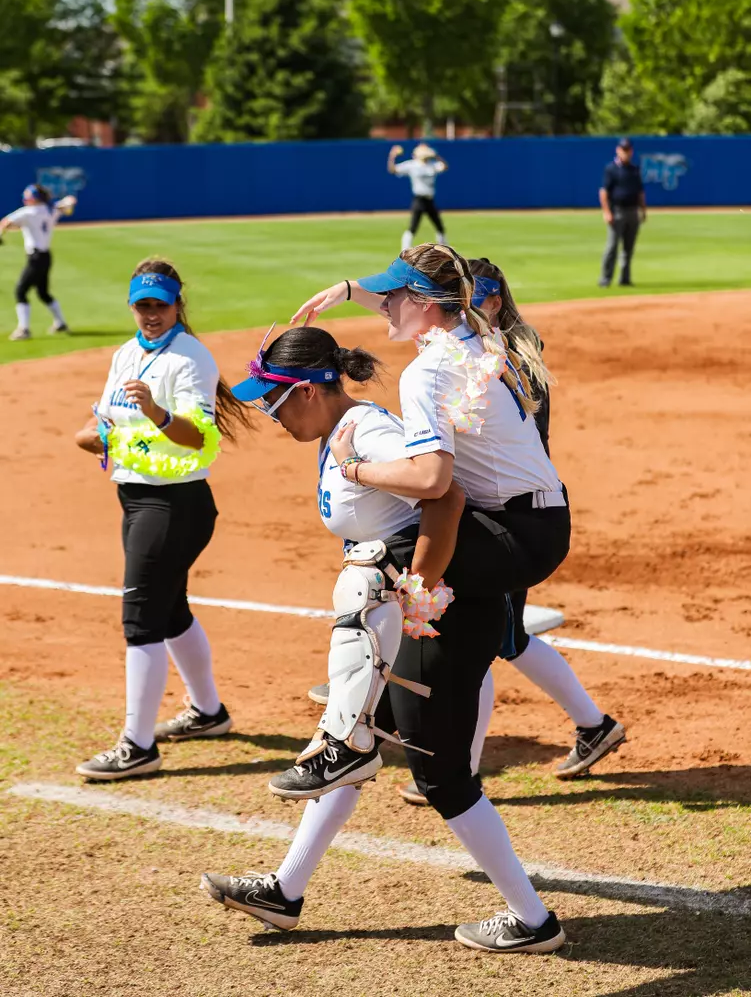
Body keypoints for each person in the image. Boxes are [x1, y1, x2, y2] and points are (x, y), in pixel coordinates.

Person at [202, 246, 577, 954]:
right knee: (378, 720)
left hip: (509, 536)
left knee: (427, 750)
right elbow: (423, 307)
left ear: (422, 305)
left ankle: (533, 922)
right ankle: (290, 879)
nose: (383, 313)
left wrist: (365, 486)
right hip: (521, 526)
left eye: (390, 300)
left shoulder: (425, 373)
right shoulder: (462, 335)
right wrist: (345, 290)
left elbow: (439, 483)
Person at [399, 255, 623, 806]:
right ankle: (592, 726)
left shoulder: (504, 357)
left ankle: (465, 767)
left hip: (511, 517)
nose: (467, 308)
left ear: (495, 301)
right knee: (504, 636)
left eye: (479, 296)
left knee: (497, 638)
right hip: (502, 513)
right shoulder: (483, 351)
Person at [73, 258, 251, 781]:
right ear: (132, 306)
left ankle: (138, 745)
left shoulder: (191, 358)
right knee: (171, 612)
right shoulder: (126, 353)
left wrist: (155, 413)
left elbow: (198, 436)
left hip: (175, 505)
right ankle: (208, 712)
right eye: (142, 305)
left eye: (160, 304)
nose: (151, 314)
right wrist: (96, 434)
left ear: (177, 305)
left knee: (141, 621)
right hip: (136, 500)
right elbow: (102, 418)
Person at [0, 183, 76, 340]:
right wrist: (66, 203)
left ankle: (24, 329)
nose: (25, 198)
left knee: (20, 291)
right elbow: (69, 203)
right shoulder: (50, 209)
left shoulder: (28, 212)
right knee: (43, 292)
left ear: (34, 198)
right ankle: (60, 323)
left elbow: (5, 222)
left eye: (28, 195)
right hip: (46, 256)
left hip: (35, 258)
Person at [599, 138, 647, 288]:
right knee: (612, 246)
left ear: (631, 151)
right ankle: (606, 278)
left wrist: (643, 210)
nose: (625, 152)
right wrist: (607, 212)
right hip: (617, 211)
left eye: (628, 150)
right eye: (623, 149)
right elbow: (604, 192)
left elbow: (640, 192)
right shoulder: (611, 169)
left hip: (632, 211)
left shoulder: (634, 170)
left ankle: (625, 279)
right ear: (618, 150)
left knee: (628, 247)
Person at [388, 142, 448, 252]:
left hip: (429, 199)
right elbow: (393, 170)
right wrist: (392, 156)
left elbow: (445, 167)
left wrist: (436, 156)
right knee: (413, 227)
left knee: (439, 226)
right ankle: (405, 251)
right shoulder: (412, 165)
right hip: (419, 199)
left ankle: (444, 250)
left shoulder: (432, 164)